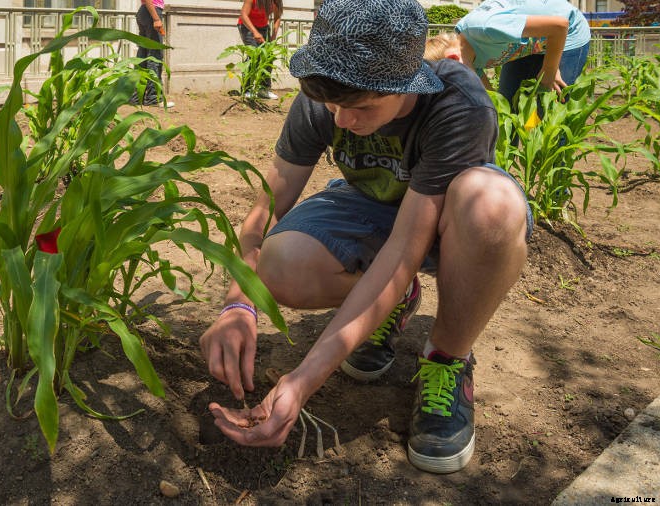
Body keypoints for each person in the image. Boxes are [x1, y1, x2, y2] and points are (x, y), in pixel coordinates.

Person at [200, 0, 532, 474]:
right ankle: (394, 302)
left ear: (409, 83)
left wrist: (303, 381)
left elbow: (403, 251)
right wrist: (238, 303)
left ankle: (446, 359)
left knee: (491, 205)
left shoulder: (458, 102)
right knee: (279, 264)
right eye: (332, 105)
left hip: (450, 220)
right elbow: (267, 207)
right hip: (369, 208)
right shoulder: (326, 93)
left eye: (361, 108)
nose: (340, 121)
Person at [423, 0, 591, 104]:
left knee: (550, 107)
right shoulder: (467, 58)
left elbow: (560, 26)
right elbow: (491, 99)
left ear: (453, 59)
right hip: (528, 43)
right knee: (506, 104)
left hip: (568, 33)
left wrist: (550, 69)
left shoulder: (486, 28)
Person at [131, 0, 175, 108]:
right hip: (152, 12)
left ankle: (137, 97)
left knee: (142, 56)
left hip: (145, 11)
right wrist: (156, 19)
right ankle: (153, 98)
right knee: (155, 56)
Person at [237, 0, 283, 100]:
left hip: (263, 28)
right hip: (247, 26)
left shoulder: (275, 1)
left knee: (268, 57)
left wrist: (273, 36)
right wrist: (254, 32)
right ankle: (246, 89)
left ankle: (263, 90)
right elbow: (243, 15)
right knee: (253, 55)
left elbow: (277, 17)